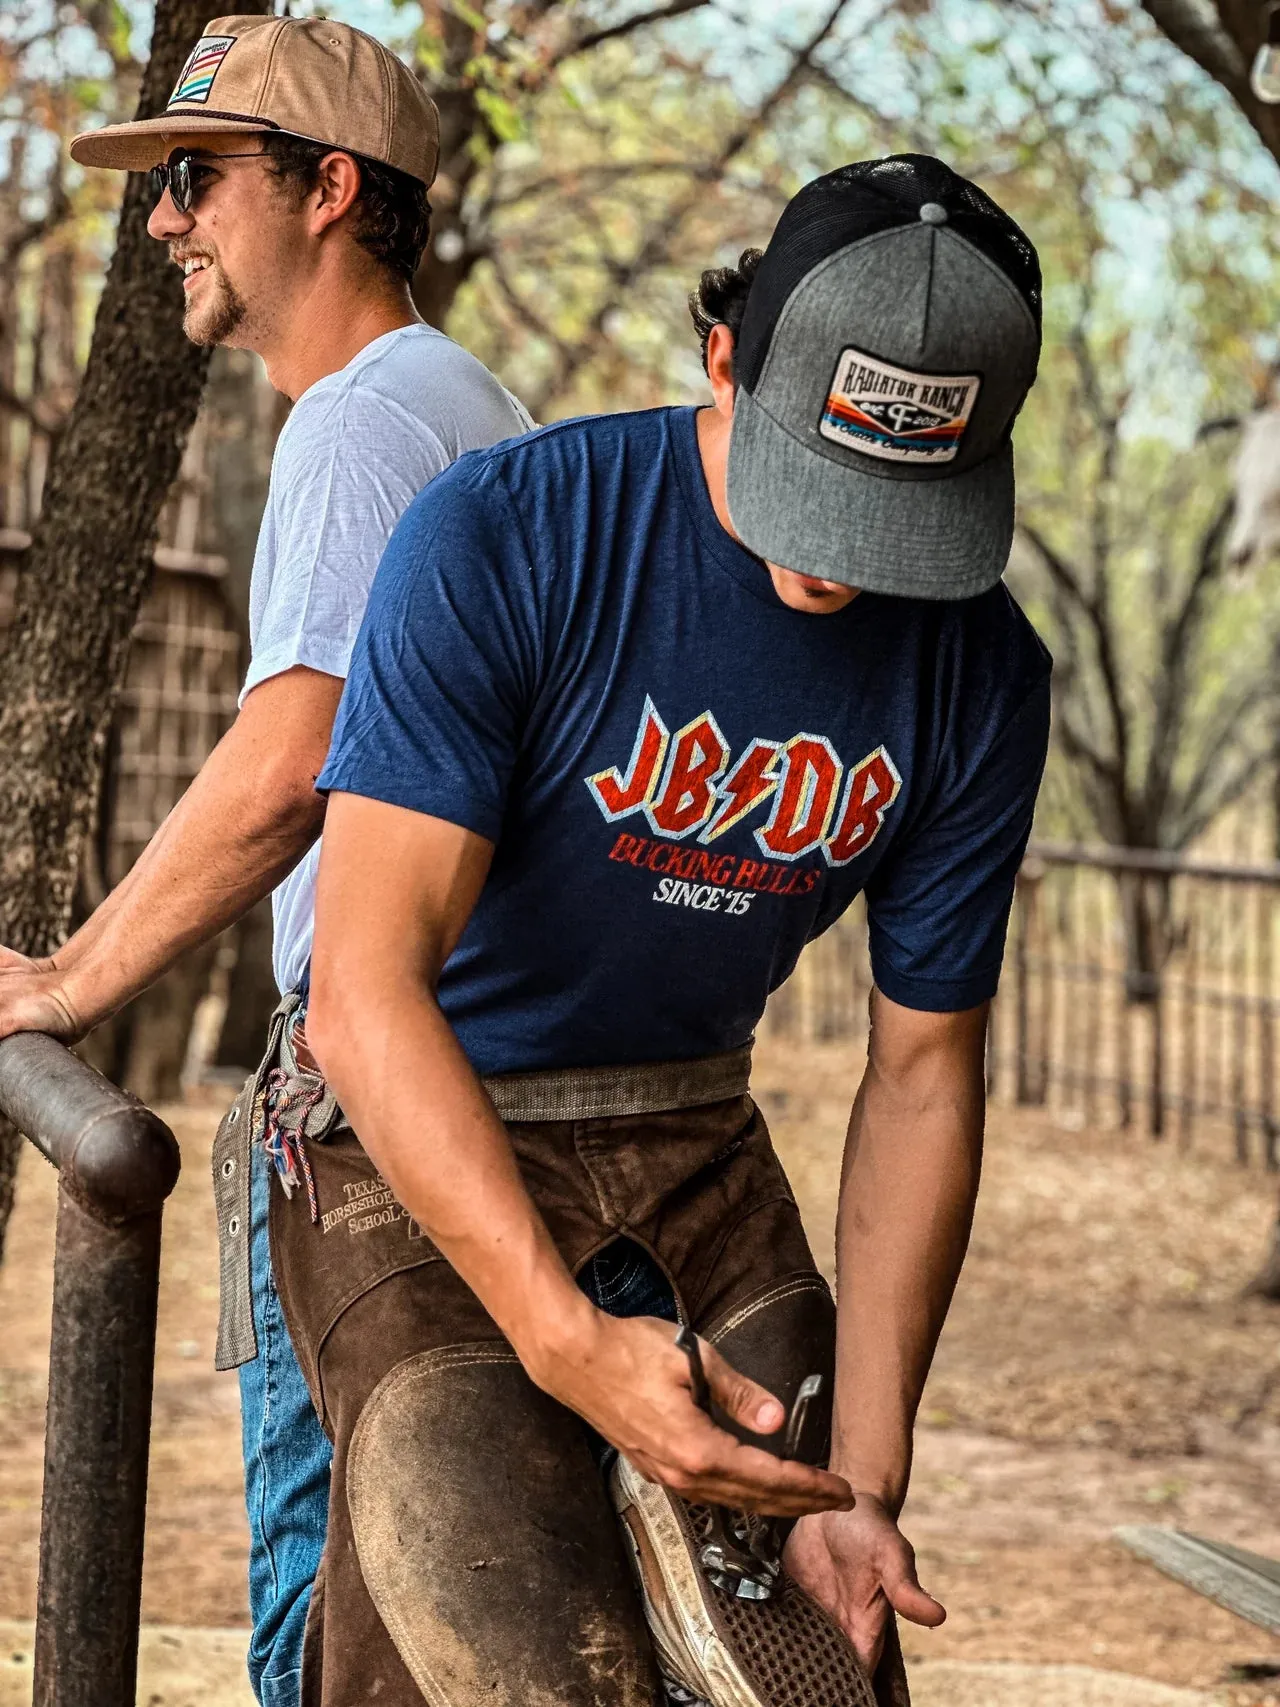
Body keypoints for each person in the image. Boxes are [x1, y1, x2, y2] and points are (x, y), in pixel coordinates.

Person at [255, 154, 1052, 1707]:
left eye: (900, 515)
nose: (839, 558)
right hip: (417, 1112)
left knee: (817, 1658)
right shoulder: (505, 535)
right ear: (723, 357)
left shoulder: (983, 675)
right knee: (497, 1634)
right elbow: (361, 989)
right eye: (812, 481)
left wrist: (866, 1478)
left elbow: (921, 1075)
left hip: (690, 1122)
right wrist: (563, 1341)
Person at [0, 16, 531, 1705]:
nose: (165, 221)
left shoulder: (363, 424)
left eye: (200, 177)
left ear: (333, 193)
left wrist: (69, 977)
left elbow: (291, 764)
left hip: (375, 1107)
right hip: (476, 1071)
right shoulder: (461, 399)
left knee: (325, 1607)